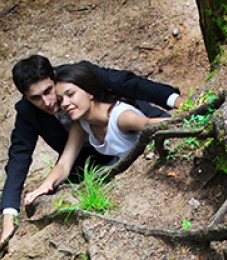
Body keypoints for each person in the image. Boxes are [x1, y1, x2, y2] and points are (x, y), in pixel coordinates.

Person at [0, 55, 183, 242]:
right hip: (89, 159)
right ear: (26, 97)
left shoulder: (80, 79)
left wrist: (179, 103)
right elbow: (19, 157)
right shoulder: (59, 120)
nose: (47, 102)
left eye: (48, 91)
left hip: (134, 134)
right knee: (57, 199)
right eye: (36, 98)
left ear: (54, 77)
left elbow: (130, 83)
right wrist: (9, 218)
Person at [24, 62, 167, 208]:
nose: (65, 104)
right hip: (126, 172)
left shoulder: (121, 117)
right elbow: (64, 163)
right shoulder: (81, 123)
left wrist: (188, 114)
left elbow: (156, 124)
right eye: (60, 100)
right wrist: (45, 185)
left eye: (71, 94)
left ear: (90, 91)